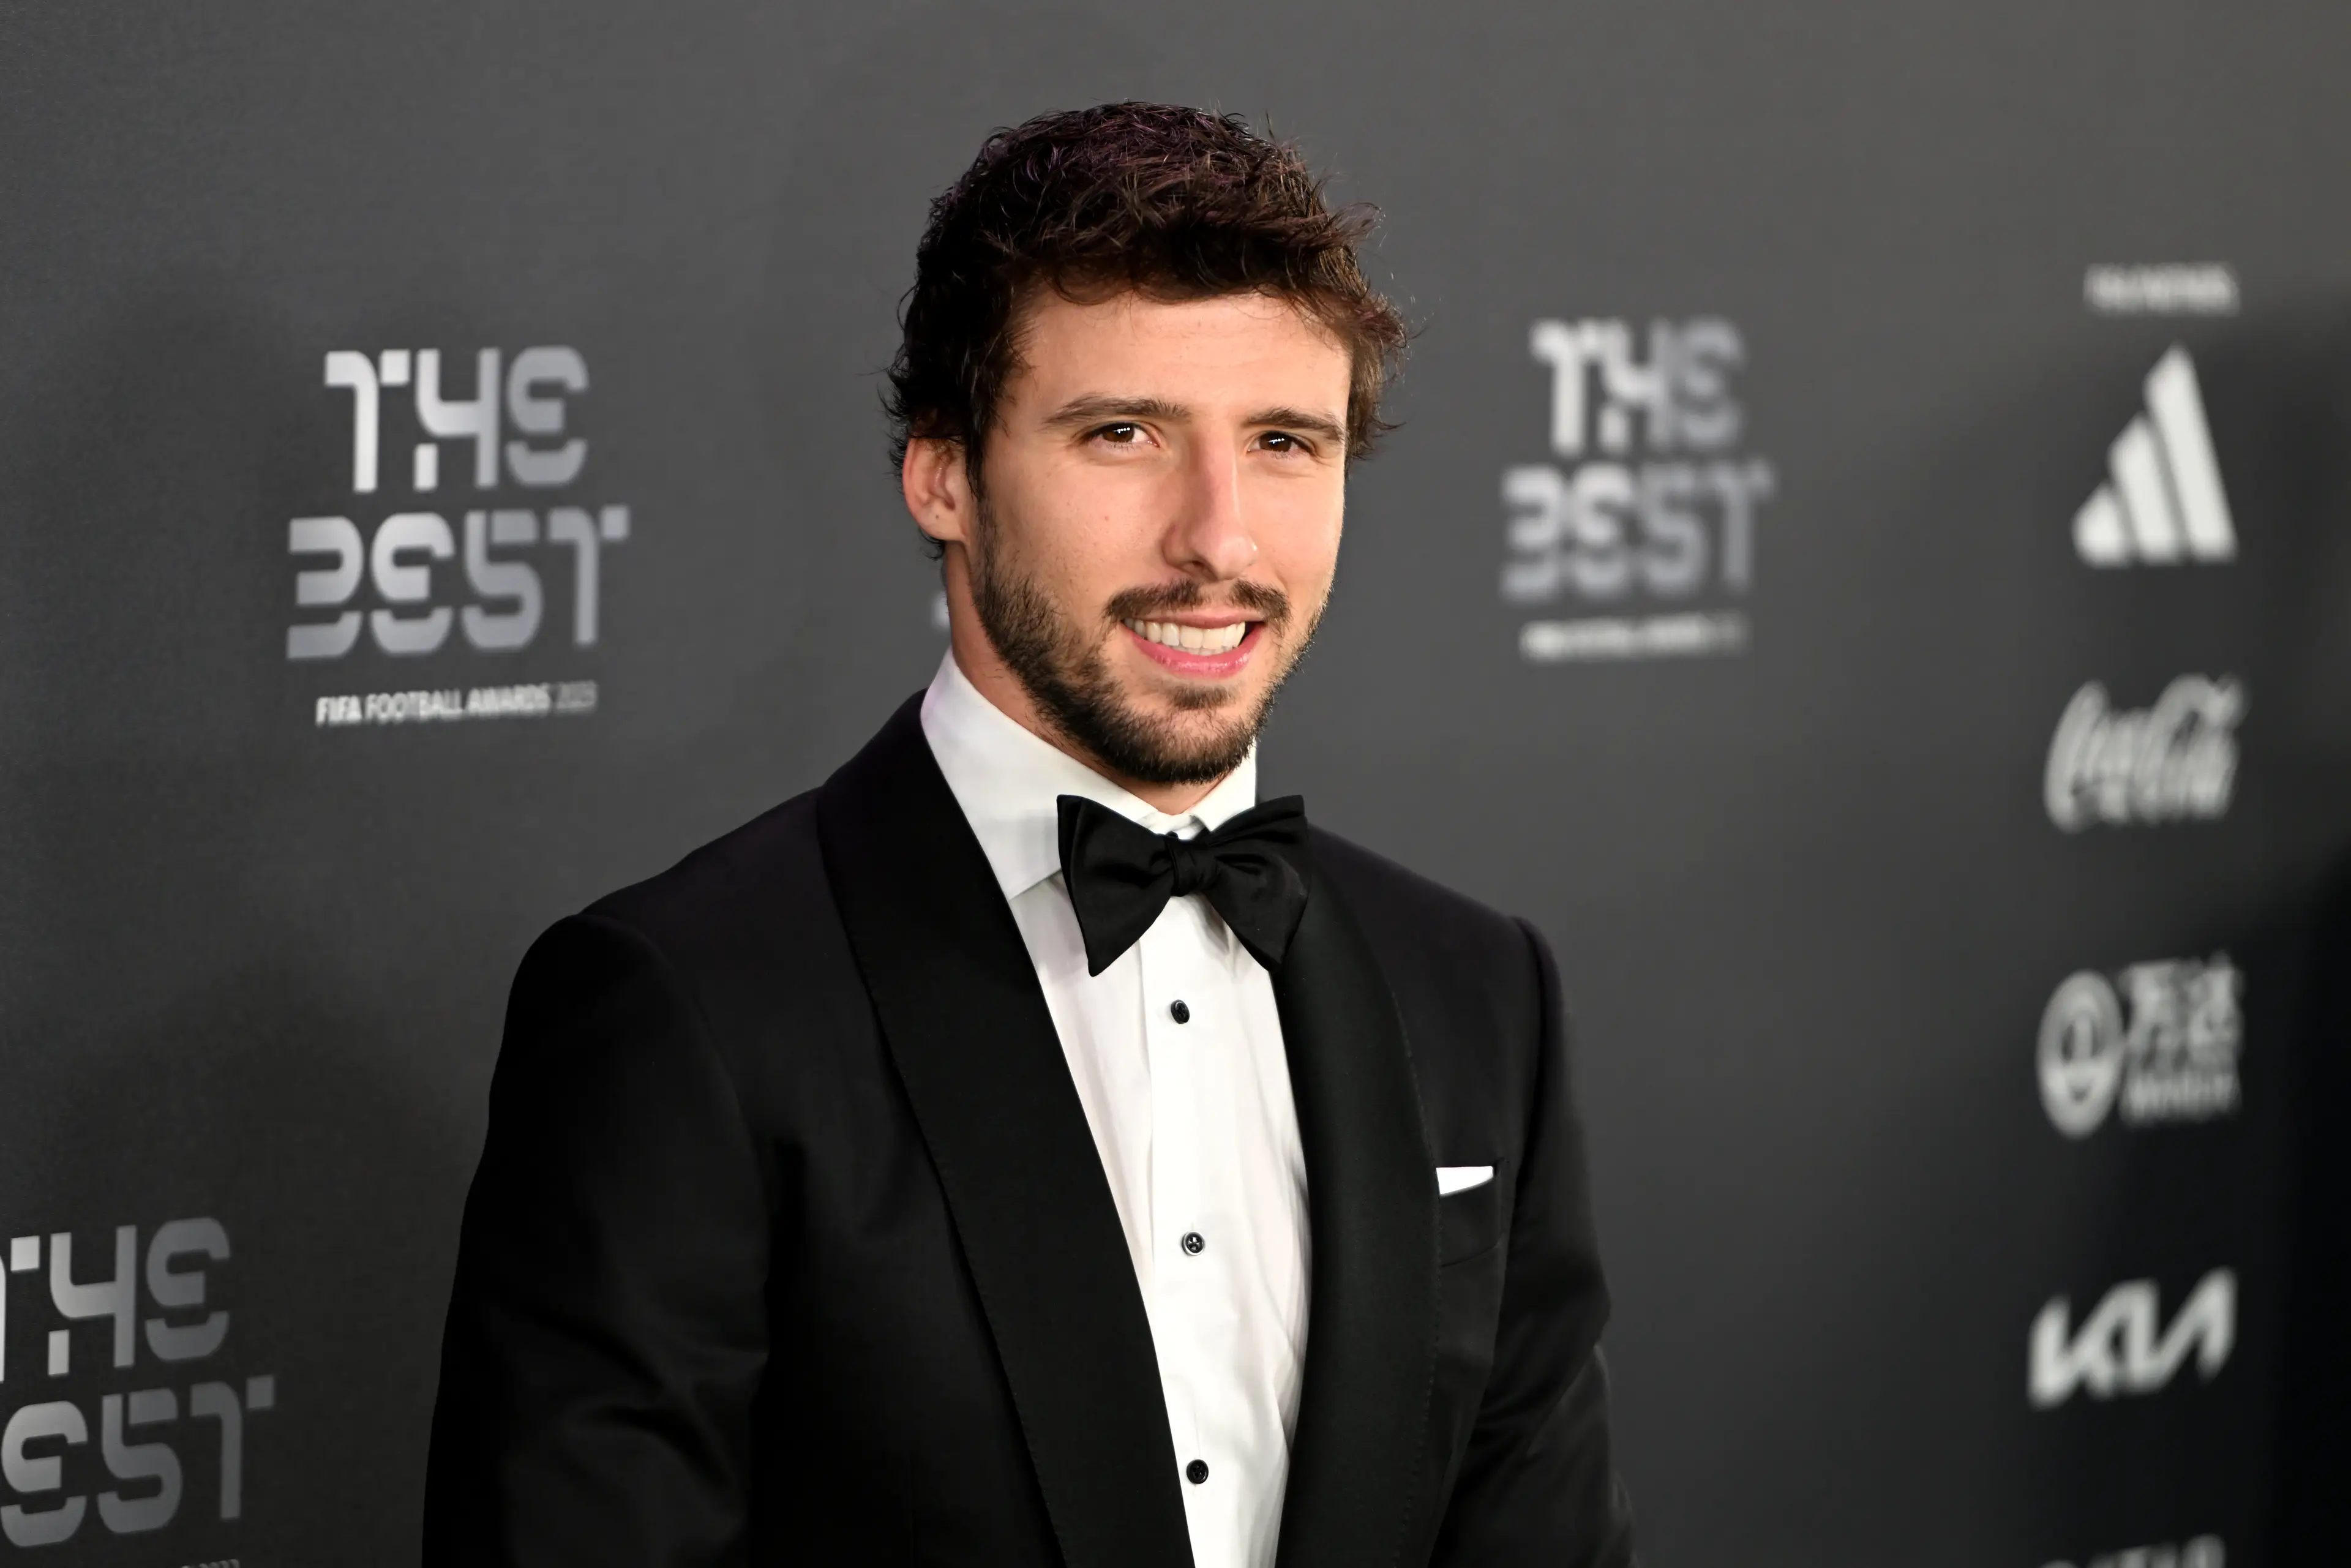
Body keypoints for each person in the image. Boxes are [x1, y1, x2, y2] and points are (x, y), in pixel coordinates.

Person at [423, 102, 1635, 1568]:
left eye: (1283, 442)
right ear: (943, 470)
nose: (1221, 537)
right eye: (1124, 434)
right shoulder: (689, 1007)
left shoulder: (1480, 994)